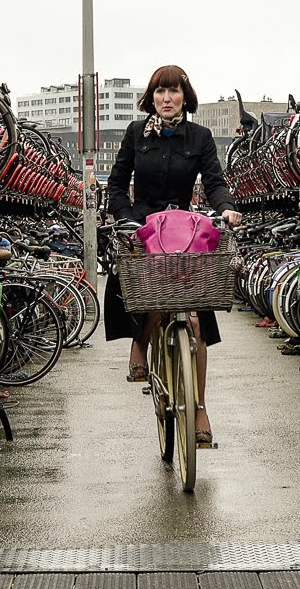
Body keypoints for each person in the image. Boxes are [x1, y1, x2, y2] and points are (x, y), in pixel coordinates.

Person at [104, 65, 242, 445]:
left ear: (185, 96)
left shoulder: (199, 136)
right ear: (151, 98)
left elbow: (215, 181)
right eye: (160, 92)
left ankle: (199, 407)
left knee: (195, 321)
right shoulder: (135, 134)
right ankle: (140, 343)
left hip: (183, 229)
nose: (167, 99)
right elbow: (117, 184)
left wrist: (226, 207)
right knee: (148, 295)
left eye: (174, 91)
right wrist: (125, 218)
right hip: (145, 226)